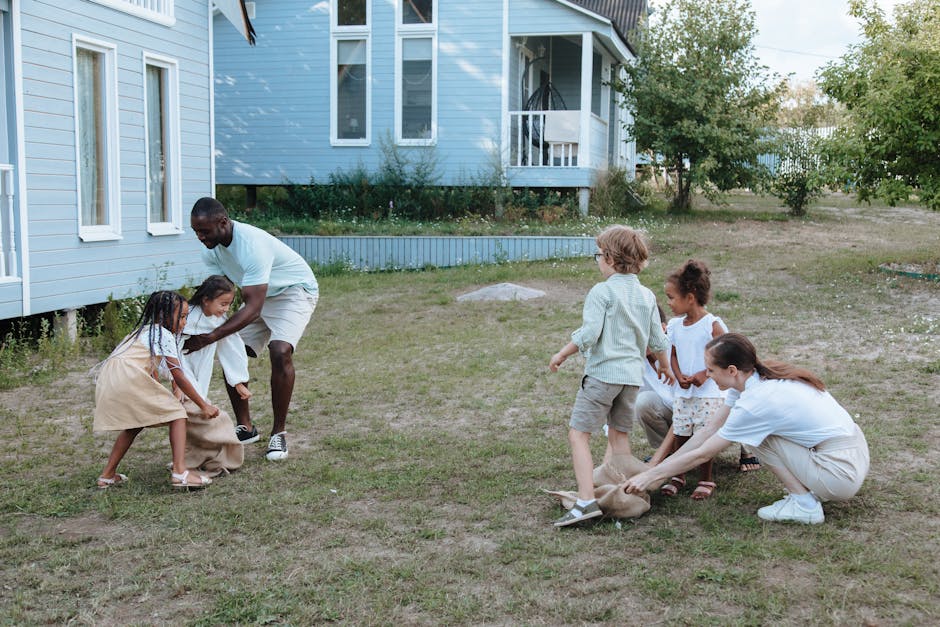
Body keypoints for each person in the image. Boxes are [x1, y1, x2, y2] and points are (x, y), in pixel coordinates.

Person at [623, 333, 870, 524]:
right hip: (851, 454)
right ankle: (806, 494)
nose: (708, 375)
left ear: (731, 370)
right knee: (757, 433)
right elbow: (708, 429)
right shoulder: (754, 379)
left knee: (758, 438)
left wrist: (650, 477)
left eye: (710, 370)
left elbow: (704, 453)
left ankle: (804, 505)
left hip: (840, 472)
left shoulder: (755, 403)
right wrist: (656, 468)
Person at [549, 225, 673, 527]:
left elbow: (590, 334)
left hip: (603, 375)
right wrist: (666, 366)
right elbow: (658, 340)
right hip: (631, 379)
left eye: (598, 255)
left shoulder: (601, 292)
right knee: (619, 440)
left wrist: (563, 353)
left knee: (578, 434)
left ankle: (585, 501)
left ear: (609, 258)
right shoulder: (646, 295)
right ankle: (626, 496)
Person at [185, 197, 319, 461]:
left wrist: (211, 336)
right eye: (196, 232)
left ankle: (278, 434)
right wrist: (188, 322)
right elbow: (218, 294)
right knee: (230, 350)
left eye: (205, 231)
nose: (200, 237)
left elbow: (253, 307)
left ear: (223, 222)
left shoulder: (251, 244)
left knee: (280, 351)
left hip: (293, 291)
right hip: (258, 297)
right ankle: (245, 428)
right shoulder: (210, 249)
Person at [94, 291, 219, 489]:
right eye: (182, 316)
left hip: (112, 377)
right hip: (129, 376)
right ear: (163, 315)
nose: (185, 322)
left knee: (134, 424)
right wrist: (204, 405)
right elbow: (178, 374)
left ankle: (107, 475)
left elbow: (153, 369)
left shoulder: (143, 332)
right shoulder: (163, 334)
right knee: (178, 415)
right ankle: (180, 472)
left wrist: (170, 392)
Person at [655, 260, 728, 500]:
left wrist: (702, 374)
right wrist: (677, 375)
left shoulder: (712, 325)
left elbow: (725, 357)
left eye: (672, 297)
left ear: (690, 296)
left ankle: (706, 477)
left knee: (702, 434)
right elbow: (673, 354)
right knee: (681, 431)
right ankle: (679, 474)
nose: (669, 303)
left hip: (707, 393)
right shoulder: (675, 325)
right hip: (683, 392)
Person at [179, 275, 250, 475]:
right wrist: (178, 383)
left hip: (200, 375)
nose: (226, 309)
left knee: (196, 416)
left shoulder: (217, 320)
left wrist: (237, 381)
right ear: (206, 299)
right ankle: (206, 459)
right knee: (199, 415)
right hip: (182, 374)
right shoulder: (185, 318)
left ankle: (198, 458)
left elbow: (231, 346)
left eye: (229, 304)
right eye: (223, 303)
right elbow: (171, 350)